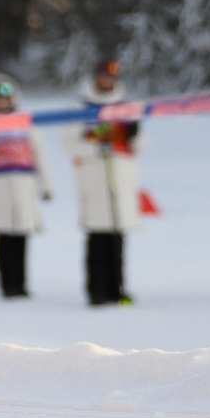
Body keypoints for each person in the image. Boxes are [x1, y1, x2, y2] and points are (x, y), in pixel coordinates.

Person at [67, 60, 140, 305]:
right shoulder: (80, 108)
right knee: (97, 237)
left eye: (110, 78)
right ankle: (96, 290)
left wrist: (134, 135)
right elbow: (69, 144)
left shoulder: (126, 109)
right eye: (102, 77)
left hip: (119, 179)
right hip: (93, 178)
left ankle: (117, 289)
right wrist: (97, 149)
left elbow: (140, 146)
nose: (106, 82)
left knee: (117, 239)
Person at [0, 76, 50, 299]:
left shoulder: (24, 122)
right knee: (3, 237)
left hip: (22, 185)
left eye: (6, 99)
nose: (2, 103)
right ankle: (7, 286)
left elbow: (39, 155)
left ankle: (21, 284)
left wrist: (46, 185)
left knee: (21, 236)